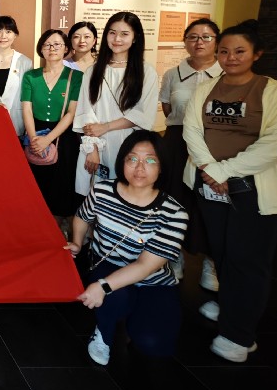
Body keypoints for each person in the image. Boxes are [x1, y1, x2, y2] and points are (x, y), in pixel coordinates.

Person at [182, 19, 277, 363]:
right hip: (212, 187)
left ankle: (239, 334)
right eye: (224, 51)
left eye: (239, 51)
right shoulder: (205, 90)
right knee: (222, 253)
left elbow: (275, 145)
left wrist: (224, 171)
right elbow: (192, 131)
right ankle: (229, 305)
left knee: (248, 261)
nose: (231, 57)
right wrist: (210, 169)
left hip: (255, 192)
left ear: (257, 53)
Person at [65, 131, 188, 366]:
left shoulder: (174, 213)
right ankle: (104, 332)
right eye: (132, 159)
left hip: (152, 280)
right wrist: (78, 242)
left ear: (162, 167)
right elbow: (82, 217)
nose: (139, 168)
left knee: (153, 343)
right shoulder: (102, 191)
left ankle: (133, 312)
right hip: (108, 265)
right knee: (116, 297)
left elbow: (145, 266)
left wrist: (102, 286)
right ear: (122, 162)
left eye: (150, 160)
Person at [159, 18, 223, 290]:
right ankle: (175, 256)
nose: (199, 42)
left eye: (206, 37)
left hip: (214, 145)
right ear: (185, 41)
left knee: (210, 204)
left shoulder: (226, 73)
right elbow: (168, 108)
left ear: (217, 41)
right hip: (177, 144)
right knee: (175, 201)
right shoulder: (173, 74)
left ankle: (211, 262)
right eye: (193, 37)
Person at [73, 12, 159, 197]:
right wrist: (92, 149)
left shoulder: (146, 72)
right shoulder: (93, 71)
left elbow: (142, 114)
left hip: (130, 144)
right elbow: (85, 111)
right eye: (112, 33)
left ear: (135, 38)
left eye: (124, 34)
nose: (117, 39)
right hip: (97, 144)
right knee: (96, 196)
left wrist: (105, 127)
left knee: (127, 195)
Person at [21, 29, 83, 231]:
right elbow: (27, 109)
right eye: (47, 44)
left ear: (66, 49)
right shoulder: (31, 76)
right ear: (41, 49)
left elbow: (71, 113)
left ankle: (60, 232)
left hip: (63, 137)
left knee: (61, 186)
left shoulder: (76, 77)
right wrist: (34, 140)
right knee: (38, 185)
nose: (52, 48)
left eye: (57, 44)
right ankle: (39, 229)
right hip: (35, 133)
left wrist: (48, 140)